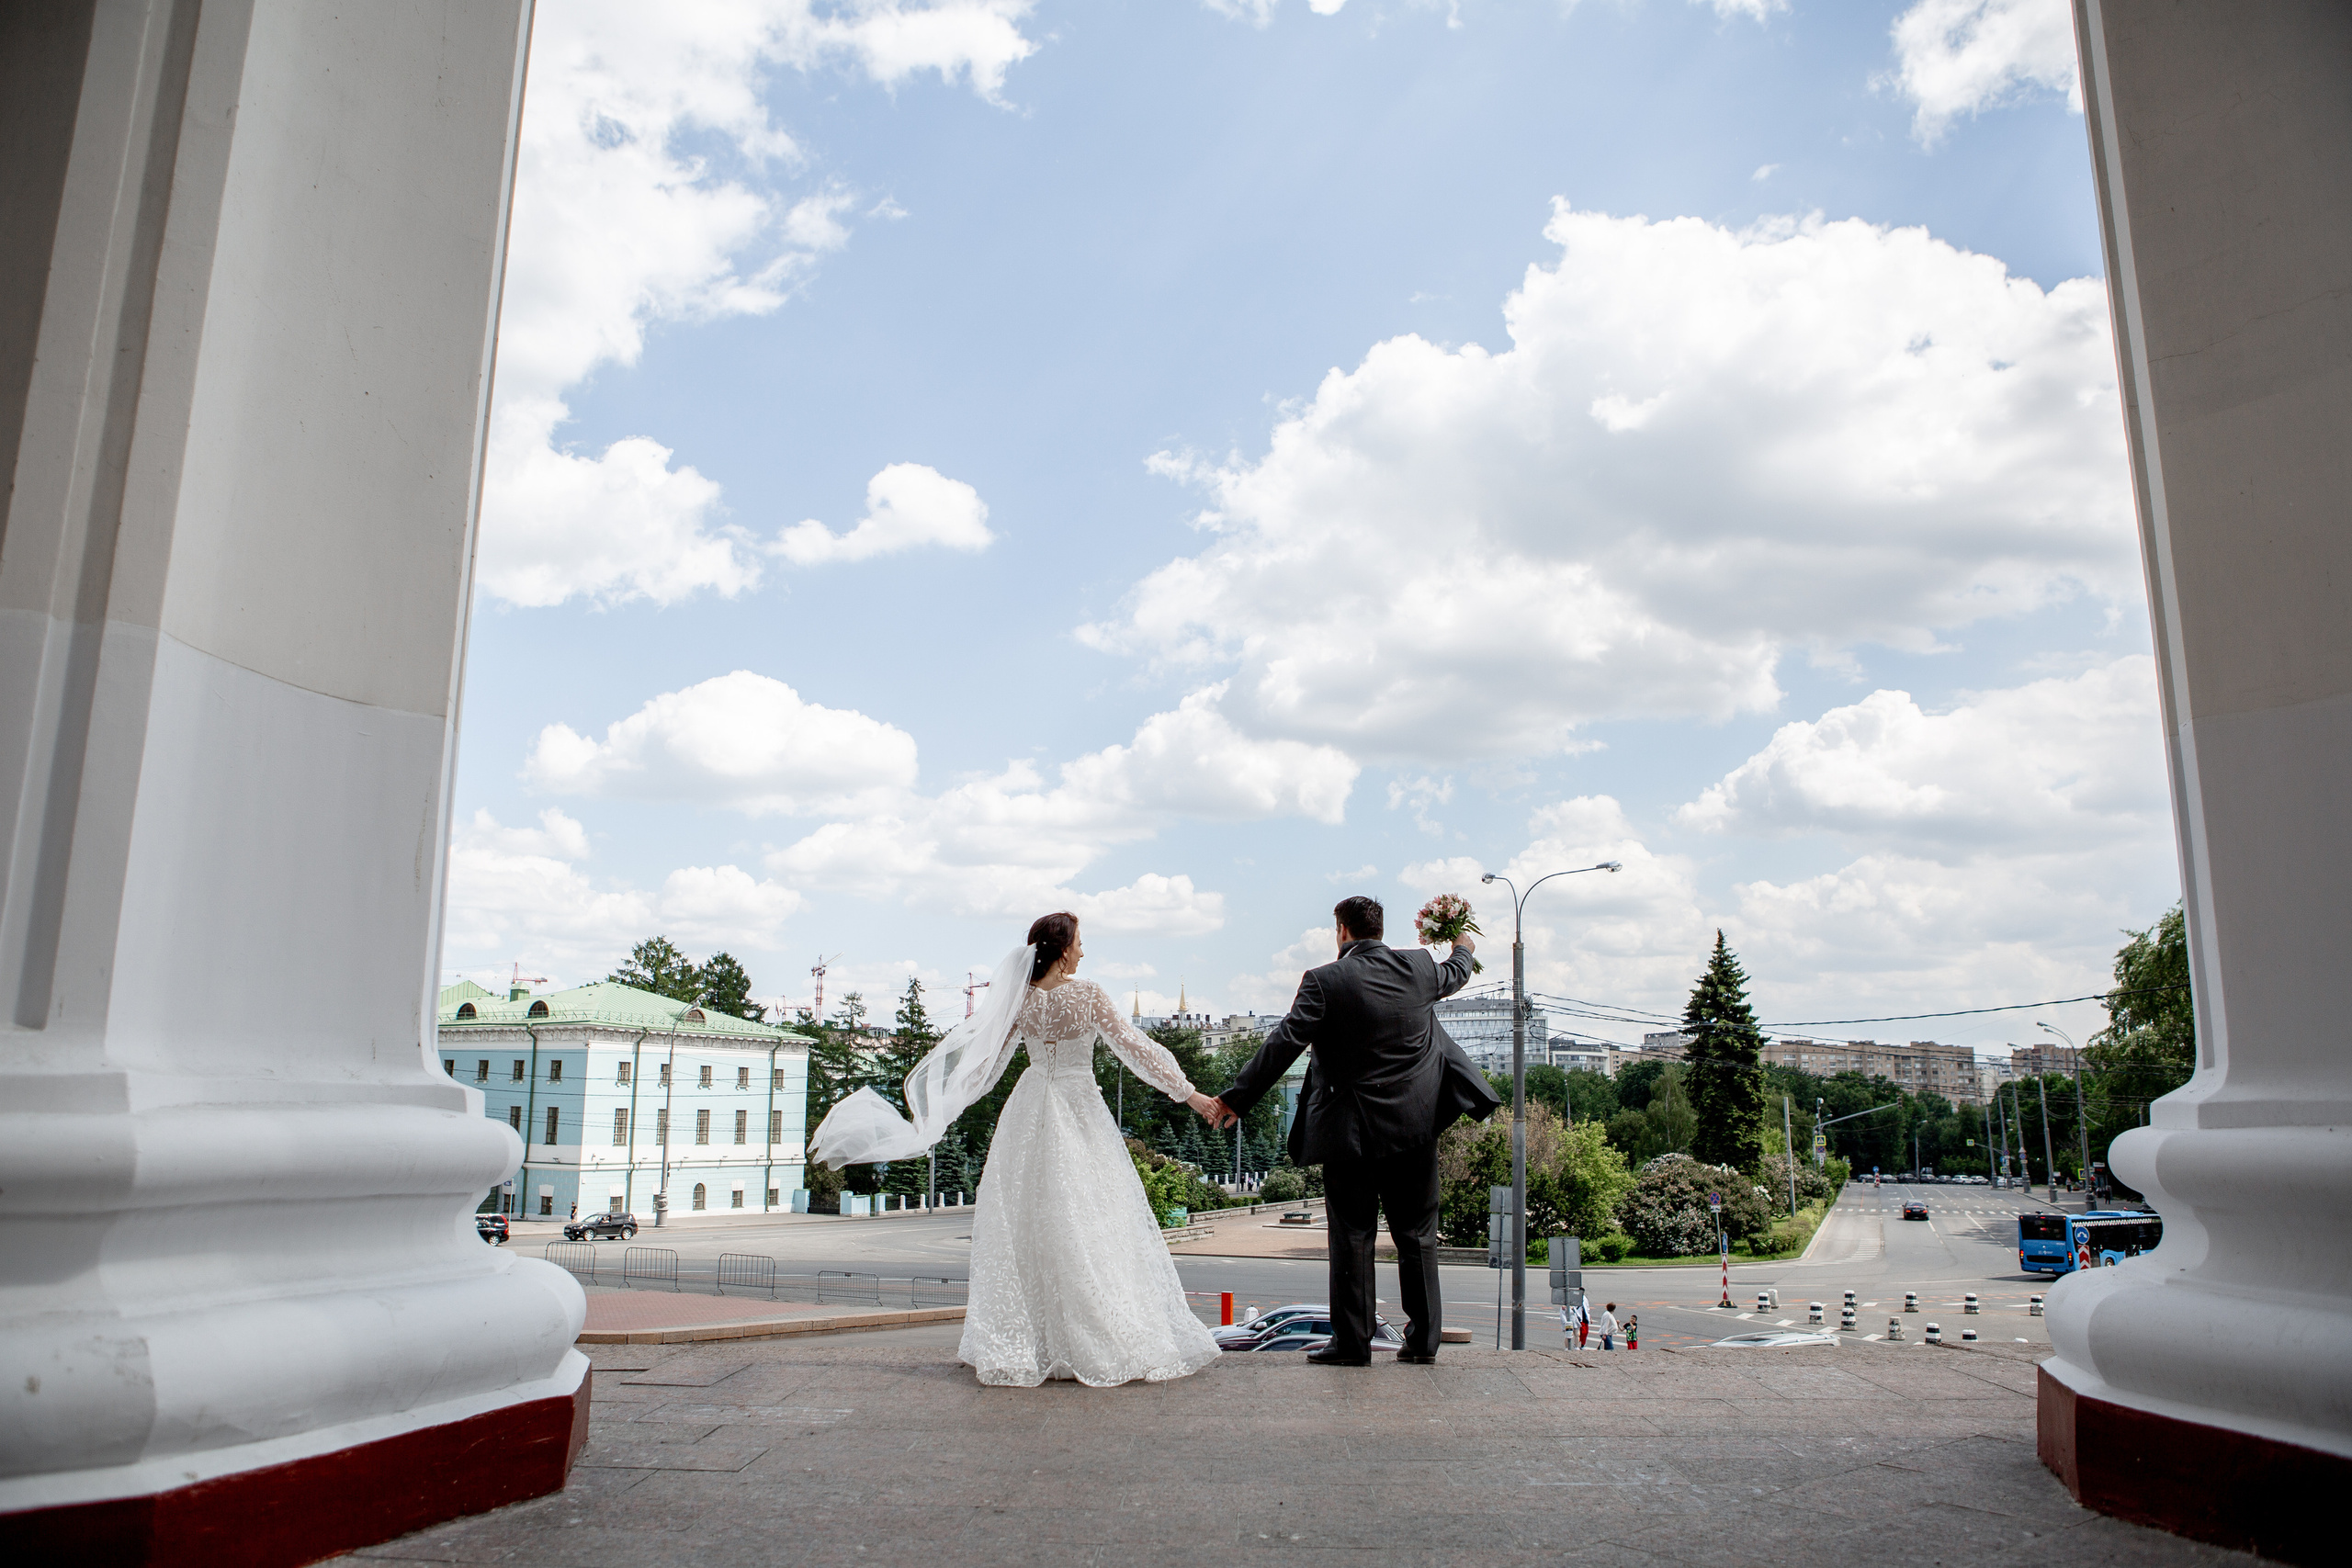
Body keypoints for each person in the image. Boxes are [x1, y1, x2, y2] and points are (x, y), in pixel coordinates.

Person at [806, 913, 1226, 1387]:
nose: (1085, 951)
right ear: (1064, 950)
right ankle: (1092, 1342)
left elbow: (980, 1068)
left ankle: (1036, 1344)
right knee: (1090, 1218)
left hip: (1028, 1109)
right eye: (1081, 943)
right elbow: (1136, 1047)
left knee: (1031, 1224)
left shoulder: (1019, 1000)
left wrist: (937, 1114)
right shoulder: (1087, 994)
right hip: (1078, 1106)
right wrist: (1190, 1094)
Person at [1209, 896, 1499, 1365]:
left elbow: (1284, 1042)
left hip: (1351, 1135)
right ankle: (1423, 1343)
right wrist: (1462, 943)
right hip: (1415, 1131)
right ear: (1380, 930)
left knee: (1353, 1236)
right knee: (1418, 1236)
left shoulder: (1325, 981)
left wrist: (1236, 1099)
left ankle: (1352, 1344)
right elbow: (1456, 972)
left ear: (1342, 931)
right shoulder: (1421, 968)